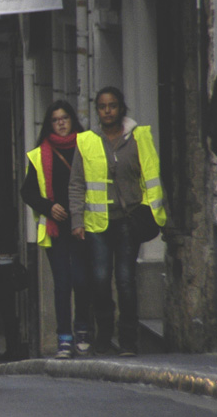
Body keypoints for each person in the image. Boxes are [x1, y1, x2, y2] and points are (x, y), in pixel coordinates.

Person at [69, 87, 168, 357]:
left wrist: (150, 211)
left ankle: (127, 340)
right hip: (97, 223)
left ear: (121, 108)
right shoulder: (87, 141)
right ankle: (103, 335)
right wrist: (77, 220)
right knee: (100, 280)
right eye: (102, 106)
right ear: (97, 110)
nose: (108, 110)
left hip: (128, 221)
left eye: (112, 105)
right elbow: (77, 184)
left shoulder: (138, 137)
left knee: (125, 280)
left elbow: (151, 175)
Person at [21, 100, 92, 359]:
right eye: (55, 119)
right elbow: (27, 191)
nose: (61, 123)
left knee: (83, 280)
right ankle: (64, 338)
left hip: (84, 225)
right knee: (62, 283)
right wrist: (49, 207)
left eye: (65, 118)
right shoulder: (40, 154)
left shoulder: (87, 147)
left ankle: (83, 329)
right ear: (49, 124)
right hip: (56, 228)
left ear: (73, 120)